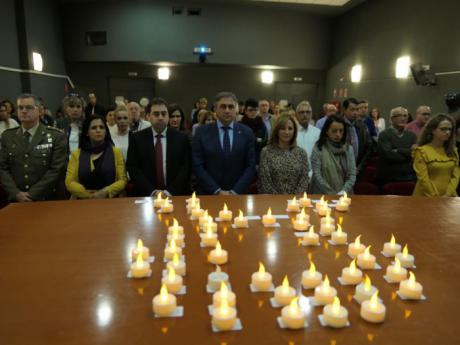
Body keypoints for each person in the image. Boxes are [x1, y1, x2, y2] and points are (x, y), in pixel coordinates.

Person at [0, 94, 67, 202]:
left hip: (47, 198)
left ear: (40, 111)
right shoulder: (8, 136)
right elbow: (2, 168)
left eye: (29, 107)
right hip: (17, 199)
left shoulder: (56, 136)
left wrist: (32, 194)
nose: (24, 111)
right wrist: (16, 193)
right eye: (20, 108)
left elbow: (56, 169)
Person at [192, 92, 256, 195]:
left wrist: (235, 191)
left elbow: (250, 166)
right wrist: (216, 191)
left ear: (236, 109)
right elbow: (197, 165)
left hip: (238, 195)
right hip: (208, 195)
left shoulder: (247, 133)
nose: (227, 110)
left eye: (231, 107)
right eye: (223, 107)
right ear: (215, 109)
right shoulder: (201, 132)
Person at [127, 98, 191, 196]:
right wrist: (152, 191)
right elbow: (133, 168)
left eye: (164, 114)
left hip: (175, 194)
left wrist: (169, 191)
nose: (160, 117)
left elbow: (186, 167)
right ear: (148, 116)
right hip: (146, 195)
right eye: (156, 114)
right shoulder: (136, 138)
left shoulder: (181, 138)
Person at [65, 115, 127, 199]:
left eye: (101, 127)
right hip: (82, 202)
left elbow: (123, 181)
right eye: (94, 128)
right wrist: (88, 195)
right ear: (87, 132)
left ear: (106, 131)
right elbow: (69, 182)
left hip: (110, 201)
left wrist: (106, 192)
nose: (98, 130)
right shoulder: (76, 154)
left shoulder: (116, 152)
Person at [257, 113, 309, 194]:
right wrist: (279, 199)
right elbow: (264, 181)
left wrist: (293, 199)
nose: (287, 132)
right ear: (277, 130)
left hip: (295, 202)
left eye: (290, 128)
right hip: (272, 201)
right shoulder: (266, 152)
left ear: (294, 131)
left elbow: (304, 180)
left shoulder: (301, 153)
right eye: (283, 128)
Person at [413, 114, 459, 197]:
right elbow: (423, 179)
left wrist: (448, 194)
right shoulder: (421, 151)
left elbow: (455, 176)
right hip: (426, 196)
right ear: (433, 130)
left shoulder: (453, 151)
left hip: (449, 195)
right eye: (443, 129)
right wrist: (435, 197)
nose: (447, 132)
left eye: (449, 129)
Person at [310, 115, 356, 195]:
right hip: (322, 195)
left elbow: (352, 175)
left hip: (344, 195)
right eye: (334, 131)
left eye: (341, 131)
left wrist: (343, 191)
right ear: (327, 131)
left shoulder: (349, 149)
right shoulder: (319, 147)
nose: (338, 134)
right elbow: (317, 174)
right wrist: (331, 193)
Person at [376, 107, 417, 185]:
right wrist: (408, 152)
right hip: (388, 178)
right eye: (399, 116)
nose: (403, 118)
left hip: (408, 177)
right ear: (391, 119)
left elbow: (415, 154)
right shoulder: (384, 134)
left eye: (405, 116)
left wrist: (398, 150)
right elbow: (388, 155)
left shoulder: (412, 135)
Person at [342, 97, 373, 173]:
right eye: (352, 110)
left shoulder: (362, 126)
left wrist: (359, 167)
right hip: (340, 170)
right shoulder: (337, 124)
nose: (355, 112)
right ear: (344, 110)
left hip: (358, 169)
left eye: (357, 110)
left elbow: (369, 148)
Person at [295, 101, 320, 176]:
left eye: (308, 112)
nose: (305, 115)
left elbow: (320, 155)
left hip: (314, 175)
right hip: (295, 175)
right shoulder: (291, 132)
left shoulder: (318, 132)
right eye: (301, 112)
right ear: (296, 115)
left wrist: (312, 173)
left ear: (311, 114)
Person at [240, 98, 267, 164]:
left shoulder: (262, 125)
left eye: (255, 110)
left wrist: (254, 141)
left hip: (258, 158)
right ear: (245, 111)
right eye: (250, 110)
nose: (253, 112)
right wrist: (257, 140)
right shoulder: (240, 125)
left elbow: (264, 142)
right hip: (242, 159)